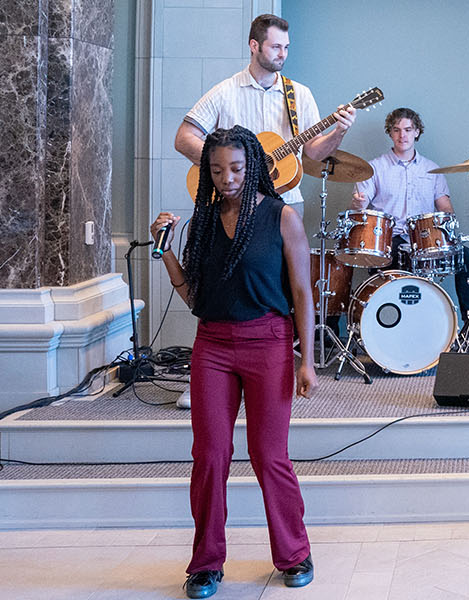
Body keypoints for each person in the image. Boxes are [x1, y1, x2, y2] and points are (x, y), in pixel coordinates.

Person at [152, 126, 318, 598]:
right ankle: (206, 563)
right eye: (218, 169)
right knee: (209, 455)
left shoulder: (281, 217)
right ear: (207, 171)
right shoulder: (201, 222)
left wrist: (308, 359)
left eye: (238, 168)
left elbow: (303, 292)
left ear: (256, 167)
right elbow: (194, 297)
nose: (228, 178)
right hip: (213, 346)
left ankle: (294, 553)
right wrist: (164, 252)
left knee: (270, 456)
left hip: (268, 341)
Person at [171, 13, 356, 408]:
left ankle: (284, 370)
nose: (283, 54)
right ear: (254, 46)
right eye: (275, 46)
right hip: (231, 206)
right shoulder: (225, 92)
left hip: (284, 207)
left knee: (286, 289)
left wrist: (338, 131)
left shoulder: (298, 94)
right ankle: (204, 374)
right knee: (218, 284)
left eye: (287, 47)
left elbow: (312, 156)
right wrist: (225, 169)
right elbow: (184, 136)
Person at [350, 107, 469, 320]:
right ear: (390, 133)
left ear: (417, 132)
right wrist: (357, 203)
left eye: (408, 129)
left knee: (465, 255)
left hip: (426, 240)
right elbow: (359, 208)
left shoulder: (432, 170)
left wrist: (448, 224)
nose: (403, 135)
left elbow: (445, 207)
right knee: (390, 257)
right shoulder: (374, 168)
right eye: (397, 130)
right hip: (391, 240)